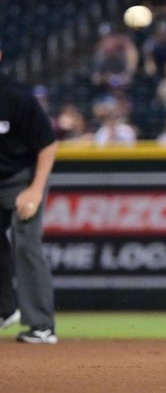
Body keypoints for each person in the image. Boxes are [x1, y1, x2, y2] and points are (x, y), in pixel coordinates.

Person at [0, 41, 59, 343]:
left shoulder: (15, 96)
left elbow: (48, 144)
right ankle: (5, 309)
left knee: (26, 242)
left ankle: (40, 325)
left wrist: (35, 189)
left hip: (23, 178)